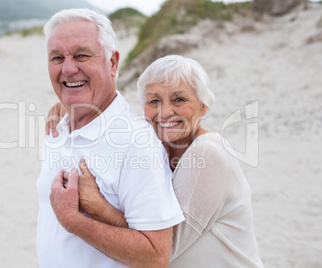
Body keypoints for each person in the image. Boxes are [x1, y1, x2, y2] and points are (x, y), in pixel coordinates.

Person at [47, 55, 264, 267]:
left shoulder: (207, 154)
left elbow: (160, 251)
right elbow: (118, 120)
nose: (166, 112)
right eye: (154, 101)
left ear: (203, 107)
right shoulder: (155, 142)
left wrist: (99, 210)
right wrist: (70, 109)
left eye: (179, 99)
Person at [37, 9, 184, 268]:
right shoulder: (58, 127)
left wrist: (75, 222)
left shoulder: (135, 142)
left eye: (82, 55)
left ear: (113, 63)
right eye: (57, 58)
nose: (68, 69)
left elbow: (155, 255)